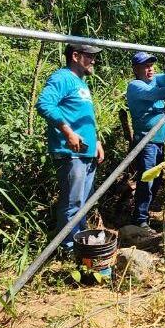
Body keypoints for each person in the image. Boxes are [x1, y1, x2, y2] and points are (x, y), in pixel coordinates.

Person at [36, 43, 104, 250]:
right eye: (89, 56)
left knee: (82, 204)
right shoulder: (62, 77)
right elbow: (44, 104)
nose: (93, 60)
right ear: (75, 56)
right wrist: (68, 133)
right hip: (71, 153)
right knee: (72, 203)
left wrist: (97, 141)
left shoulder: (81, 83)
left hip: (86, 153)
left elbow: (84, 117)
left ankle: (79, 243)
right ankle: (67, 247)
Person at [127, 51, 165, 227]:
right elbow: (157, 94)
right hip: (146, 141)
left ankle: (145, 213)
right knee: (147, 180)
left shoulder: (154, 79)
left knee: (157, 179)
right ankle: (140, 219)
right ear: (136, 69)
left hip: (158, 141)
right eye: (146, 66)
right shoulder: (135, 85)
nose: (150, 69)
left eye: (151, 65)